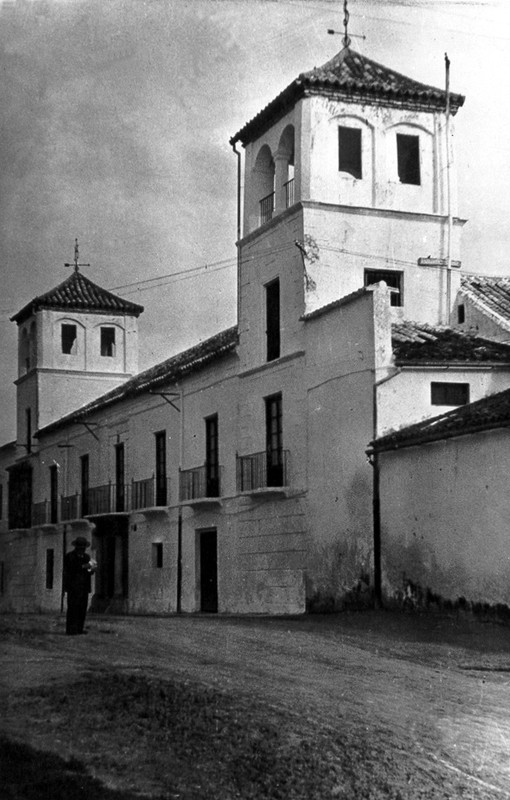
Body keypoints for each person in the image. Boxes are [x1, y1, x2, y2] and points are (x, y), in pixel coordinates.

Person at [63, 535, 96, 635]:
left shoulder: (87, 557)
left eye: (83, 548)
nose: (82, 549)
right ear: (76, 547)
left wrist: (92, 569)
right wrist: (84, 566)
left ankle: (79, 629)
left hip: (84, 588)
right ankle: (70, 630)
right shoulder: (69, 556)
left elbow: (90, 571)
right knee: (73, 608)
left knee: (82, 608)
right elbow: (70, 570)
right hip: (73, 588)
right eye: (80, 548)